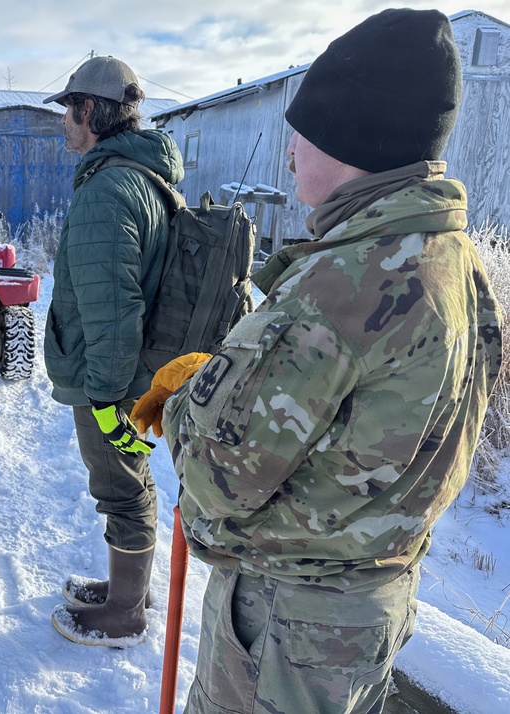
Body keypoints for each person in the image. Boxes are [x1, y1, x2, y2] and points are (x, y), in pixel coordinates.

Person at [153, 10, 503, 713]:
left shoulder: (342, 283)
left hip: (289, 626)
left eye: (300, 135)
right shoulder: (453, 260)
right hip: (369, 606)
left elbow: (216, 480)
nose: (288, 153)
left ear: (351, 140)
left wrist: (190, 398)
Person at [41, 56, 183, 647]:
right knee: (130, 477)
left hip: (114, 379)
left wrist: (103, 395)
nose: (64, 124)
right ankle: (129, 588)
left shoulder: (108, 189)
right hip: (135, 372)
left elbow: (111, 308)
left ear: (92, 110)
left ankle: (125, 613)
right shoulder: (143, 178)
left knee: (119, 485)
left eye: (69, 111)